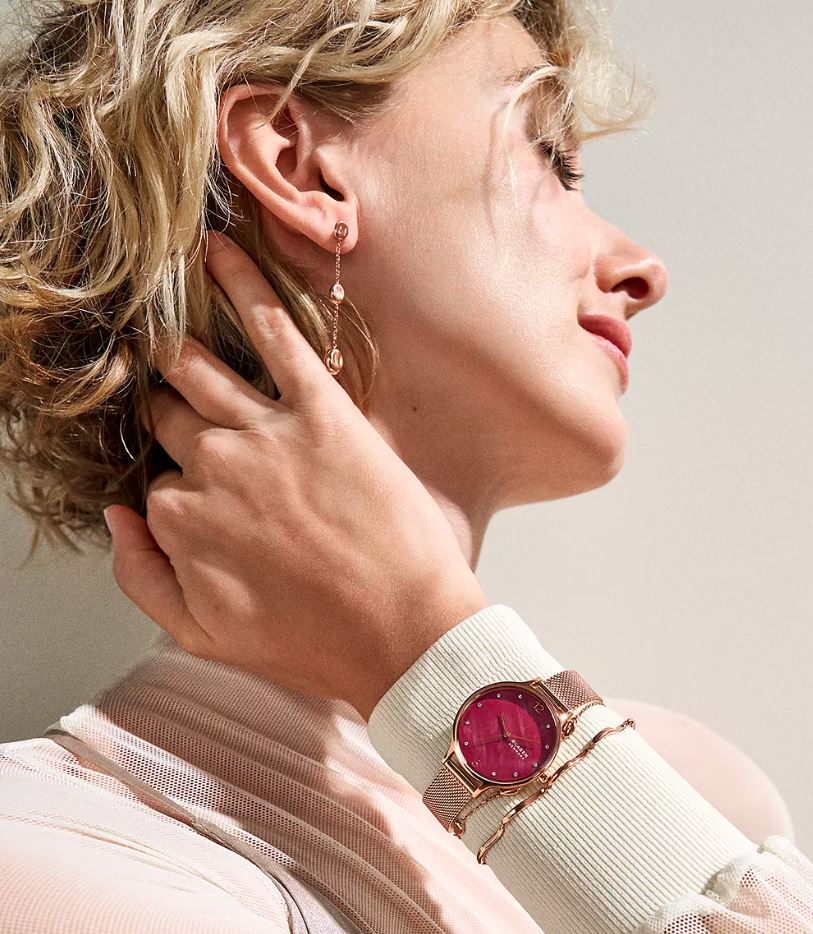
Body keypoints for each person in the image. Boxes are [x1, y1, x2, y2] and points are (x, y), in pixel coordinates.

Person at [0, 1, 810, 932]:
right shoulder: (56, 858)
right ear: (301, 168)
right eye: (551, 158)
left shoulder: (689, 785)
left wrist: (427, 649)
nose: (642, 269)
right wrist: (423, 651)